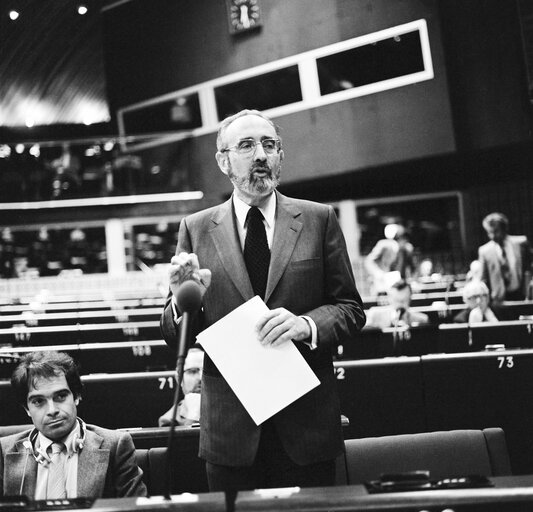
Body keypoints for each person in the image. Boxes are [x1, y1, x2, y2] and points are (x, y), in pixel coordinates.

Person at [160, 109, 365, 492]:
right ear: (223, 161)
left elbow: (351, 311)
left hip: (306, 423)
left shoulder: (318, 219)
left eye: (269, 145)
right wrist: (181, 302)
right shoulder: (196, 228)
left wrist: (307, 325)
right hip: (230, 430)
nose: (261, 155)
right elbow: (179, 337)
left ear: (281, 156)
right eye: (247, 145)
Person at [0, 351, 147, 499]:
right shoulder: (4, 451)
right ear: (27, 409)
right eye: (38, 401)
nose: (52, 411)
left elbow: (137, 508)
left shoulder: (116, 446)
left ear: (76, 396)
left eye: (61, 396)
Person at [478, 212, 532, 303]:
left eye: (496, 231)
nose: (493, 236)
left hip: (522, 296)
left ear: (504, 229)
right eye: (489, 232)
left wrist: (529, 292)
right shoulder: (484, 251)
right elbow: (483, 279)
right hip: (499, 301)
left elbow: (529, 269)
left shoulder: (522, 243)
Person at [158, 346, 203, 427]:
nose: (201, 377)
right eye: (193, 371)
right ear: (179, 378)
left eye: (205, 372)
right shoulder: (169, 420)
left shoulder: (228, 409)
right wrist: (193, 416)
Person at [364, 223, 415, 295]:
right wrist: (379, 274)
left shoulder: (407, 249)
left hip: (400, 287)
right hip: (383, 286)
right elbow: (369, 261)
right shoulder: (383, 245)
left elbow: (413, 268)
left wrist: (411, 280)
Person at [365, 279, 429, 330]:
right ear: (389, 299)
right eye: (397, 300)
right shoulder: (375, 315)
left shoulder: (421, 320)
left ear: (410, 299)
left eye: (403, 301)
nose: (400, 305)